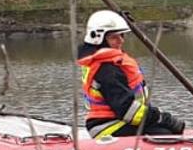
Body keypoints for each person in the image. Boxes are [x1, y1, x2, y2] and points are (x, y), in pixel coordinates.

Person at [77, 10, 185, 140]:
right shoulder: (107, 70)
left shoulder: (104, 60)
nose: (120, 41)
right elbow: (128, 110)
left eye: (122, 35)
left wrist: (117, 19)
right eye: (114, 37)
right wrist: (162, 118)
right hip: (109, 126)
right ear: (99, 39)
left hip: (119, 119)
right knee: (164, 135)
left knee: (165, 130)